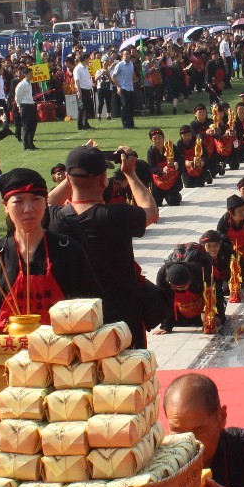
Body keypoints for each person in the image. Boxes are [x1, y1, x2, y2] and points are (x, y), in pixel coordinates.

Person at [48, 144, 162, 346]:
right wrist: (130, 173)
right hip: (121, 318)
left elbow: (49, 202)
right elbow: (151, 212)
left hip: (75, 320)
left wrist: (74, 171)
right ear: (103, 180)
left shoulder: (55, 219)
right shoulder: (117, 214)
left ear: (68, 179)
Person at [0, 169, 101, 333]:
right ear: (5, 206)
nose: (28, 209)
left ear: (46, 202)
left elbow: (89, 300)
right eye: (18, 201)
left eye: (36, 199)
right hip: (9, 345)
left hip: (59, 345)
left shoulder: (67, 249)